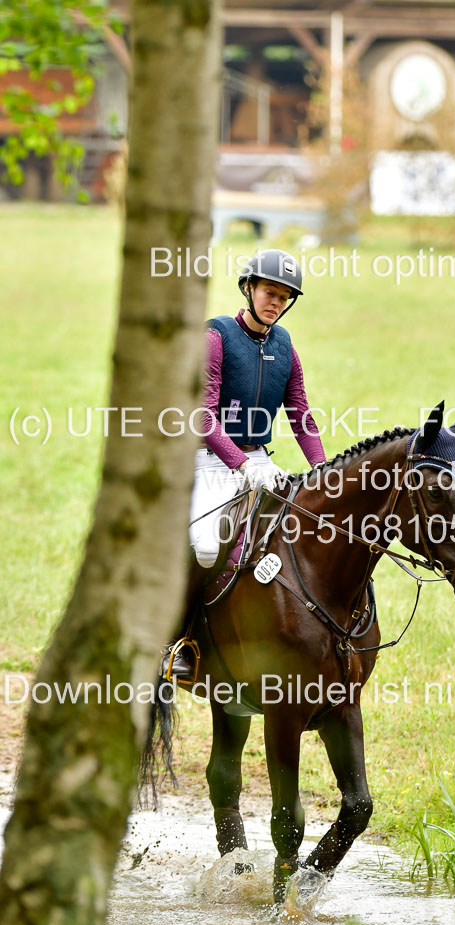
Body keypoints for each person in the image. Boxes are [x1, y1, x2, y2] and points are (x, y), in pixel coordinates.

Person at [161, 248, 326, 681]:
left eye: (285, 296)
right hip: (209, 460)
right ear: (249, 288)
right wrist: (239, 463)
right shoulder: (215, 337)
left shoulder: (286, 345)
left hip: (259, 459)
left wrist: (323, 468)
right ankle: (177, 640)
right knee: (208, 544)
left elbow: (300, 413)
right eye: (270, 292)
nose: (276, 302)